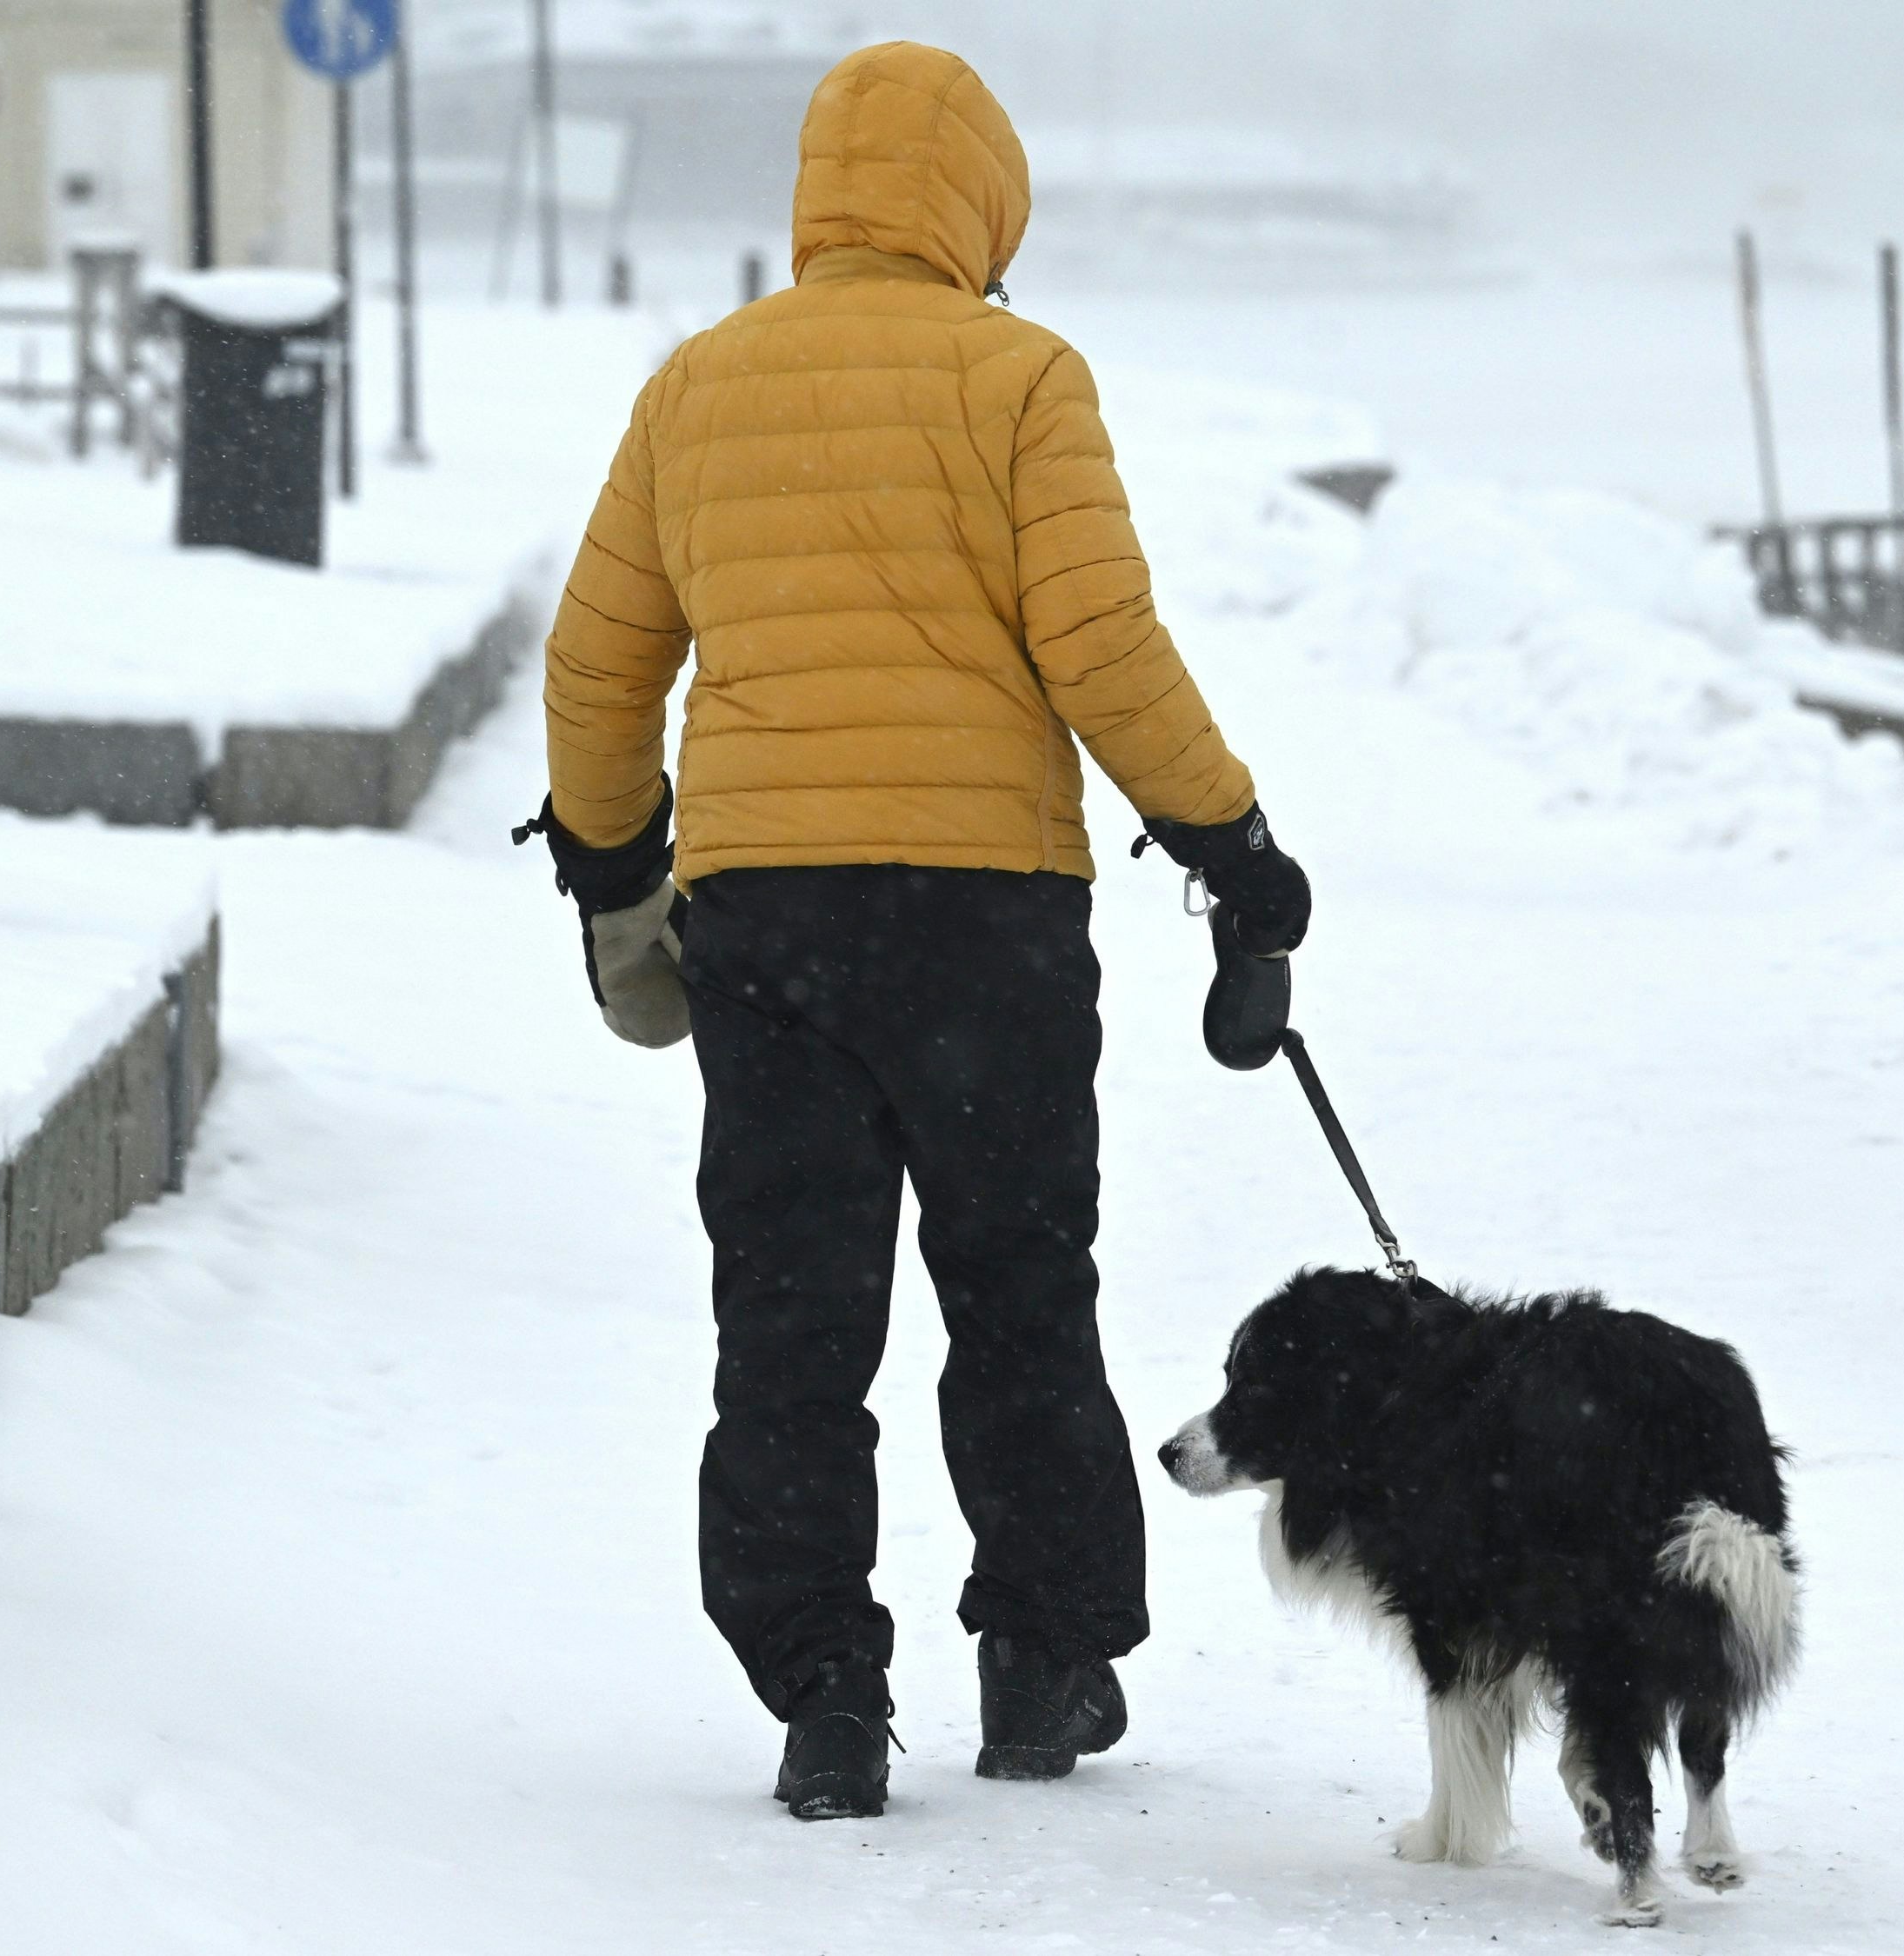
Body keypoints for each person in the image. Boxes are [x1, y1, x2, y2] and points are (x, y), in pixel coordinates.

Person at [515, 41, 1312, 1822]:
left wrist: (608, 866)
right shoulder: (1022, 376)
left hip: (767, 925)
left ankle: (819, 1693)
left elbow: (597, 664)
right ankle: (1039, 1665)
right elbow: (1097, 647)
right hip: (988, 927)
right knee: (1020, 1293)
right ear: (982, 202)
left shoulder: (697, 387)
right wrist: (1230, 842)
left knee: (791, 1322)